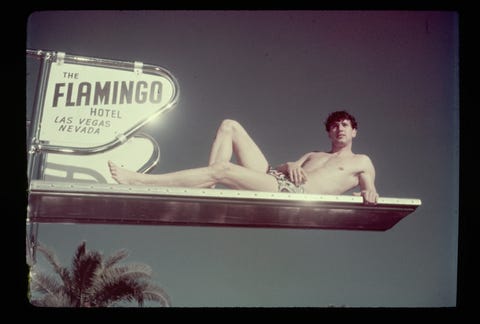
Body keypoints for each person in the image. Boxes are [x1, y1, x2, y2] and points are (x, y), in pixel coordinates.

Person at [108, 110, 379, 204]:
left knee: (225, 169)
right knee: (230, 125)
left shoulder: (362, 161)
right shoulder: (314, 153)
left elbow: (370, 190)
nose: (339, 128)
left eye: (344, 125)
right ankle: (209, 180)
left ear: (354, 131)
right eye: (334, 125)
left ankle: (144, 181)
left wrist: (368, 194)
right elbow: (285, 168)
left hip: (292, 190)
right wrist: (293, 164)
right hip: (275, 177)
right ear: (329, 132)